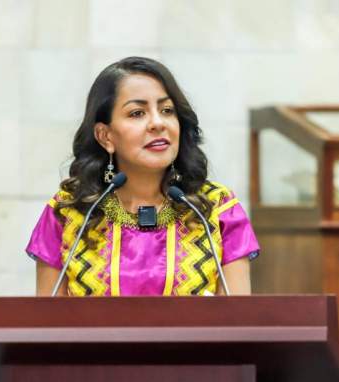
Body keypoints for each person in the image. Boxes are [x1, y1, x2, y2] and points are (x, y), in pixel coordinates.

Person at [26, 56, 259, 296]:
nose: (158, 123)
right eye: (137, 113)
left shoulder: (215, 208)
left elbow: (236, 316)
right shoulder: (69, 212)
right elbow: (49, 317)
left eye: (167, 110)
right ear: (105, 136)